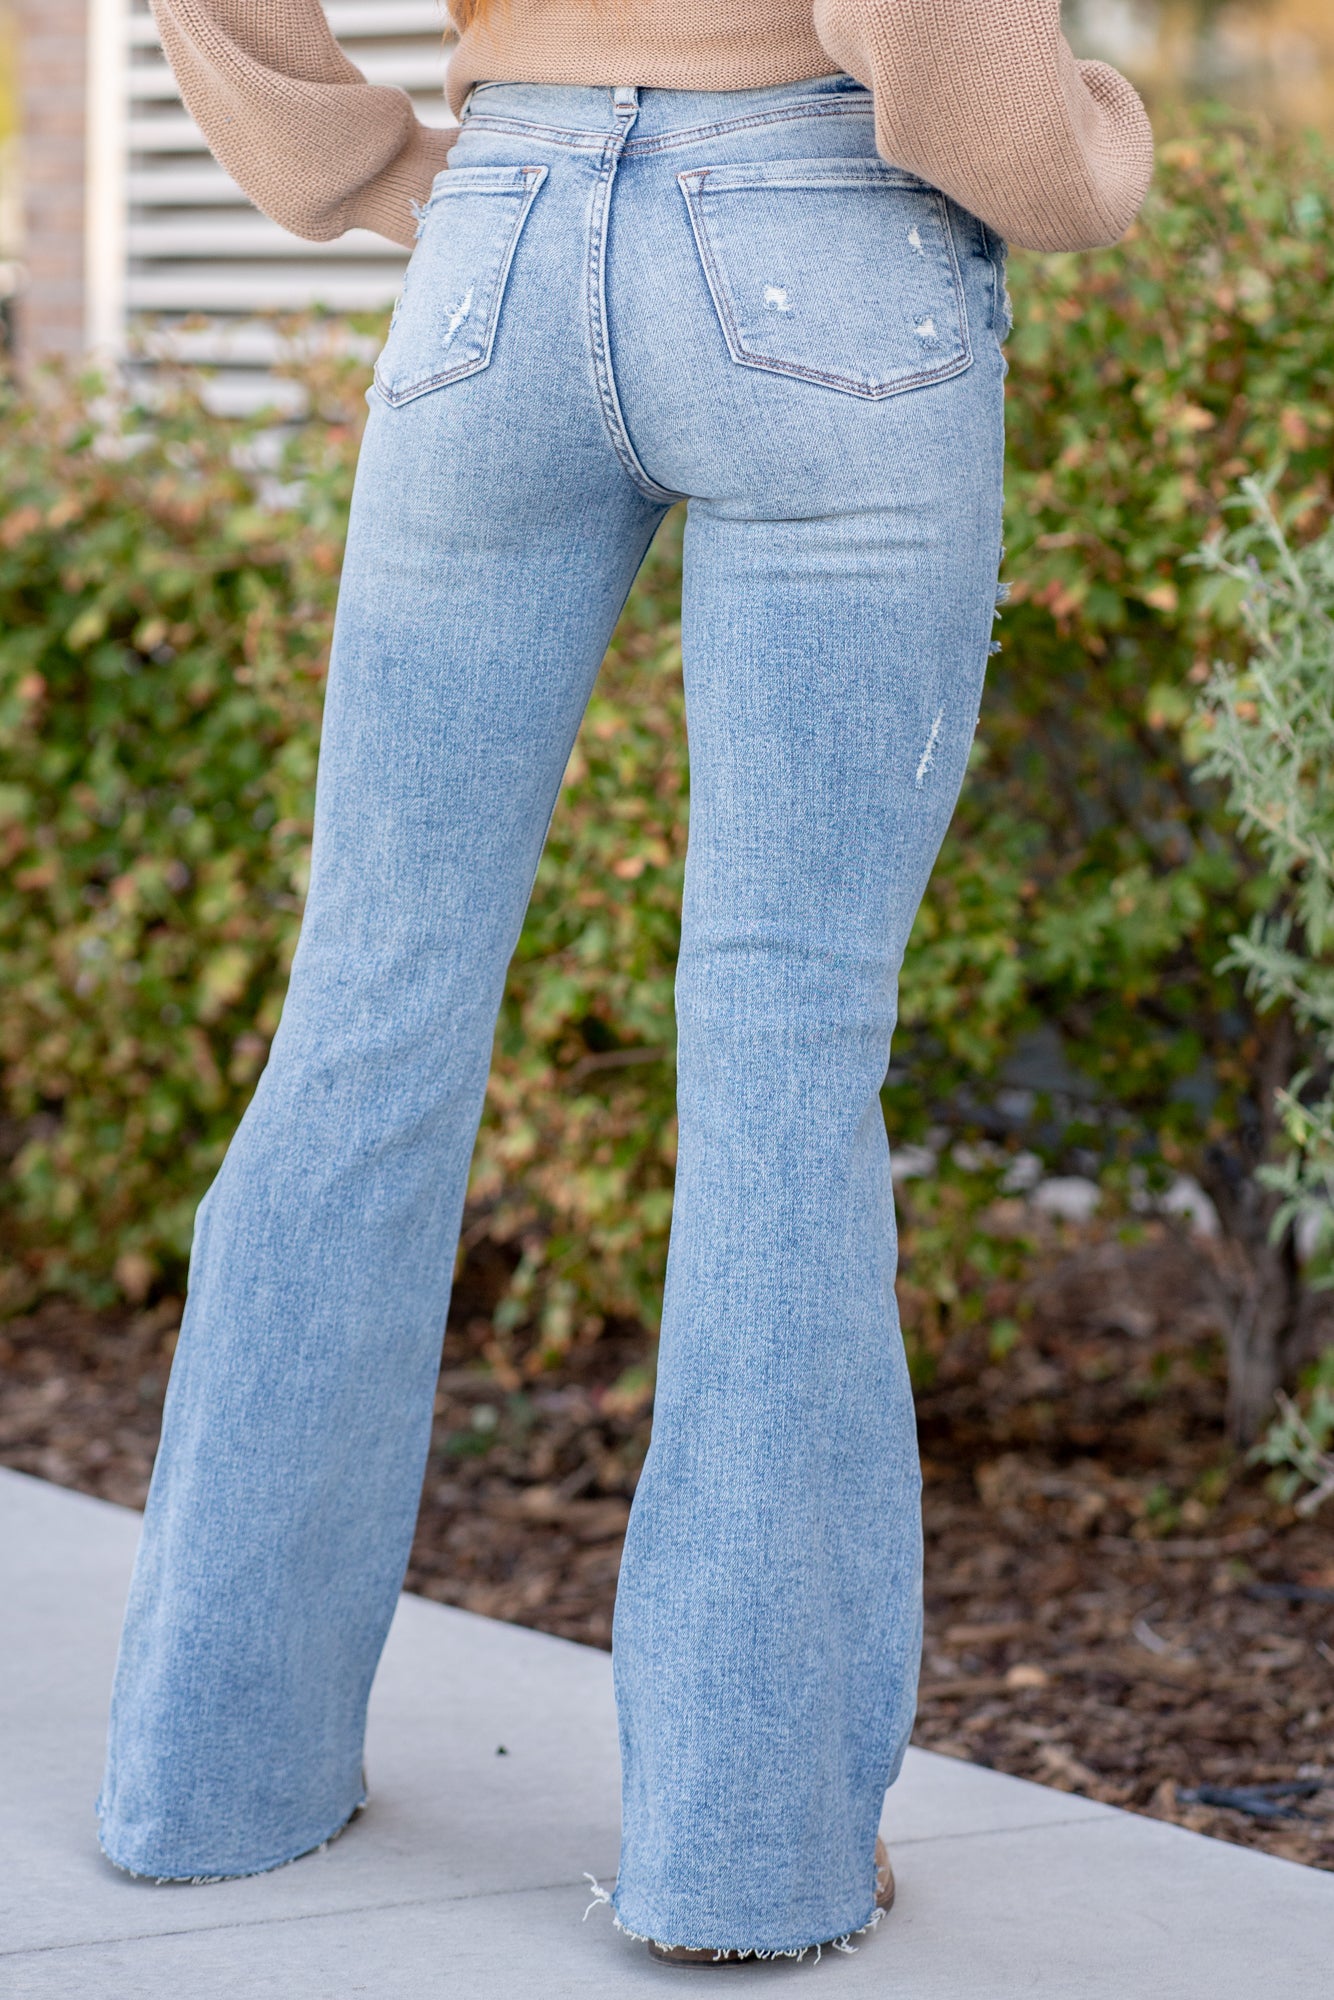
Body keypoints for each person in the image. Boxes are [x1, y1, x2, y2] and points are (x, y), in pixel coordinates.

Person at [98, 0, 1152, 1964]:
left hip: (497, 237)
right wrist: (1078, 152)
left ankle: (210, 1775)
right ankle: (742, 1858)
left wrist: (358, 161)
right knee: (782, 1057)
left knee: (365, 1018)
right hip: (827, 234)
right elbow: (937, 54)